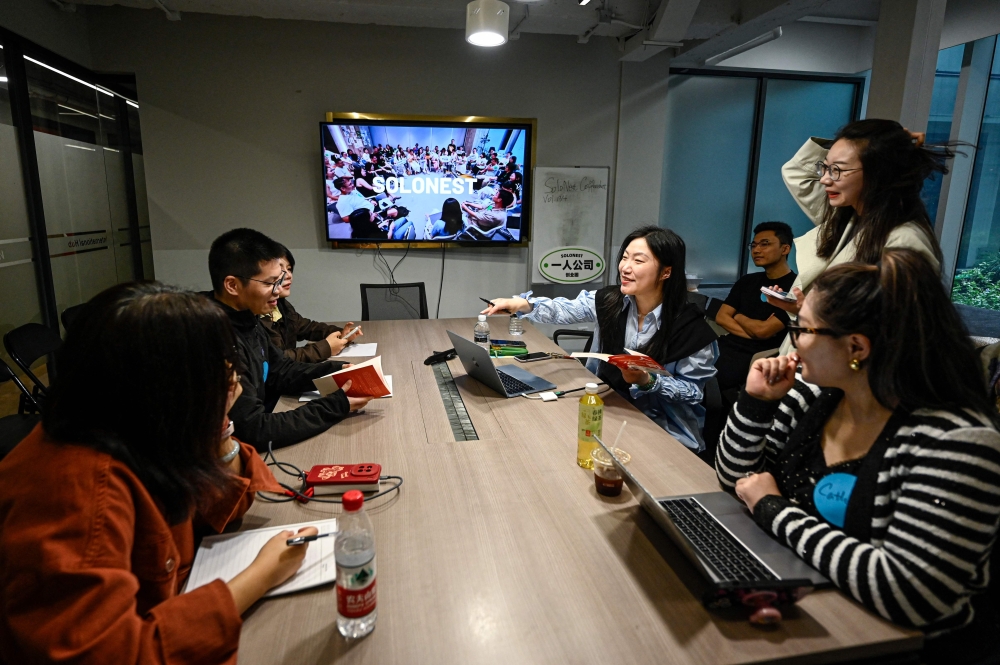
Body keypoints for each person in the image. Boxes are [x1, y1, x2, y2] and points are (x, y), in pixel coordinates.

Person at [0, 282, 320, 664]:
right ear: (156, 383)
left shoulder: (135, 429)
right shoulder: (77, 490)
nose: (232, 378)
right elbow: (114, 655)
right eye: (212, 367)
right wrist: (261, 576)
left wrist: (218, 427)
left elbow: (223, 506)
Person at [717, 249, 1000, 663]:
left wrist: (773, 509)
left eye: (804, 329)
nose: (795, 341)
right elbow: (736, 480)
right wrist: (756, 403)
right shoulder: (814, 397)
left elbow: (907, 592)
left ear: (856, 346)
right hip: (814, 602)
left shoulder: (958, 442)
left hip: (898, 644)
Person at [483, 226, 718, 452]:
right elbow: (564, 309)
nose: (625, 268)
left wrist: (649, 381)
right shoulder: (611, 301)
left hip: (664, 429)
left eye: (638, 261)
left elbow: (693, 392)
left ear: (666, 272)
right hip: (609, 407)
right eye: (624, 258)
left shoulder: (692, 330)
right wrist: (522, 305)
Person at [767, 119, 951, 350]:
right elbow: (795, 171)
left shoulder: (904, 242)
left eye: (837, 170)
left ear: (879, 171)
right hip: (816, 361)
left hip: (842, 374)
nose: (824, 178)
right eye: (825, 167)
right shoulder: (847, 218)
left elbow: (896, 336)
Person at [206, 228, 372, 450]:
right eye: (269, 283)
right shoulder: (214, 338)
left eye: (279, 280)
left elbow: (280, 370)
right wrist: (336, 405)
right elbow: (254, 430)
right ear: (232, 285)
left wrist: (335, 372)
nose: (278, 290)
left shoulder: (246, 317)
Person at [714, 221, 797, 392]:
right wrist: (754, 331)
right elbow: (721, 317)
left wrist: (737, 315)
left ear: (785, 249)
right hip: (726, 344)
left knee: (715, 380)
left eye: (765, 244)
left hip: (759, 355)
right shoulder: (747, 281)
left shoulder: (796, 288)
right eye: (754, 245)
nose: (756, 250)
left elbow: (764, 331)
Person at [260, 245, 362, 362]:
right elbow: (276, 361)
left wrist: (340, 333)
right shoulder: (251, 317)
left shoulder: (281, 304)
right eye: (279, 271)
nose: (288, 275)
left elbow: (305, 327)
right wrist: (326, 348)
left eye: (289, 269)